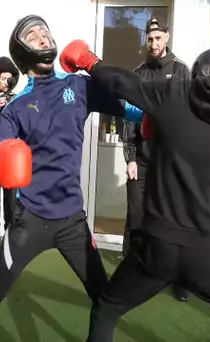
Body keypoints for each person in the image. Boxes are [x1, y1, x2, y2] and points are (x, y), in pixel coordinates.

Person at [59, 40, 210, 342]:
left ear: (198, 70)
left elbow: (123, 83)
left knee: (107, 308)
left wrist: (90, 61)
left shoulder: (175, 92)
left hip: (158, 246)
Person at [0, 15, 142, 304]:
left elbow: (135, 108)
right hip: (28, 218)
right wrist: (9, 213)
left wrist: (162, 115)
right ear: (22, 51)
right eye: (33, 35)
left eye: (44, 31)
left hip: (72, 220)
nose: (43, 36)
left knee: (105, 299)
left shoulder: (78, 86)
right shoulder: (13, 110)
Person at [122, 17, 191, 302]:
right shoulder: (137, 74)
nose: (154, 44)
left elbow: (190, 116)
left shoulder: (181, 71)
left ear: (167, 37)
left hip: (170, 161)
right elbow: (127, 118)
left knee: (174, 218)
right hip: (143, 159)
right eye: (150, 39)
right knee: (136, 215)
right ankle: (130, 270)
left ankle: (179, 277)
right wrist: (130, 157)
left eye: (158, 38)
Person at [0, 56, 20, 231]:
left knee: (11, 206)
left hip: (9, 159)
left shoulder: (14, 99)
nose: (7, 82)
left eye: (9, 79)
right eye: (3, 78)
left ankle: (9, 239)